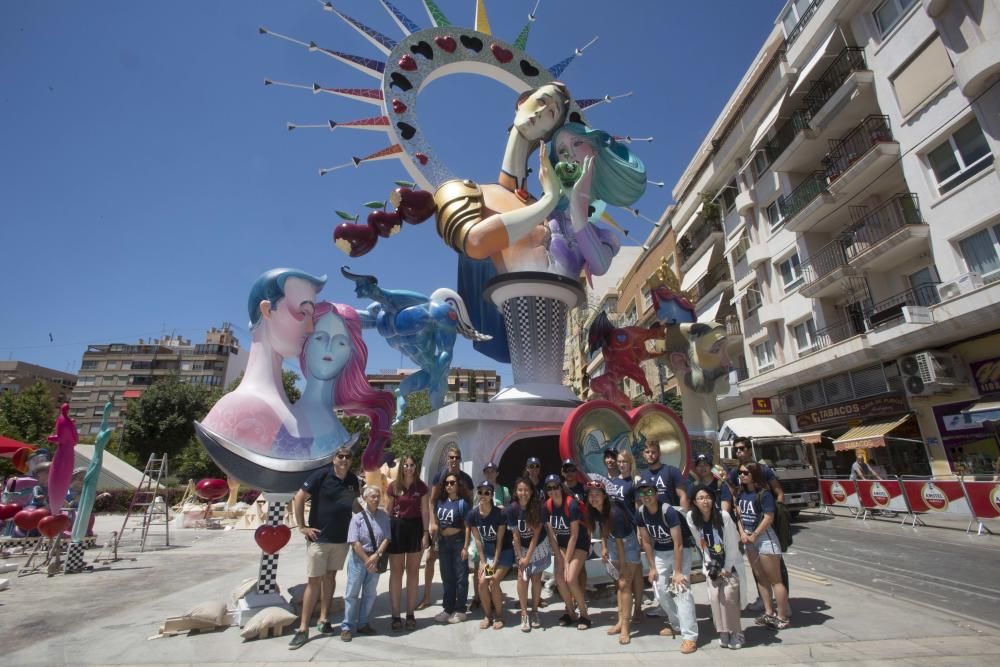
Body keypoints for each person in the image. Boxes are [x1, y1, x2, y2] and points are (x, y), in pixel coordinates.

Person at [203, 268, 326, 455]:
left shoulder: (290, 409)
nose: (310, 328)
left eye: (311, 316)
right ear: (267, 310)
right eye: (302, 312)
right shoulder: (240, 407)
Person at [289, 446, 360, 650]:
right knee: (313, 582)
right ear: (334, 459)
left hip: (341, 539)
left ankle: (323, 619)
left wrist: (370, 518)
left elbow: (354, 505)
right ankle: (303, 629)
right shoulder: (321, 475)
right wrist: (302, 525)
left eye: (348, 457)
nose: (344, 459)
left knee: (330, 577)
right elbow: (299, 497)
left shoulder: (352, 480)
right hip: (319, 538)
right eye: (340, 456)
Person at [723, 436, 789, 616]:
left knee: (777, 572)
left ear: (749, 449)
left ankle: (784, 607)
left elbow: (779, 492)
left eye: (742, 448)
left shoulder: (763, 470)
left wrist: (777, 514)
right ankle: (767, 606)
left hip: (766, 528)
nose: (739, 451)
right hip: (749, 531)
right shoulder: (735, 472)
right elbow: (734, 496)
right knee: (759, 574)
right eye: (736, 449)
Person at [635, 479, 698, 654]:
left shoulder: (668, 511)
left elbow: (678, 543)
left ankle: (690, 636)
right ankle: (677, 623)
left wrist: (677, 571)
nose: (646, 496)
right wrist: (652, 567)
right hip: (660, 552)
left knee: (682, 589)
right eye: (642, 493)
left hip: (680, 550)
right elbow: (646, 541)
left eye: (649, 492)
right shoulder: (640, 513)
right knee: (660, 590)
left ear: (656, 493)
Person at [586, 480, 646, 645]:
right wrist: (604, 546)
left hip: (628, 545)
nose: (594, 498)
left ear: (604, 497)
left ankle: (626, 626)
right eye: (591, 495)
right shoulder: (597, 510)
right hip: (613, 542)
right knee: (619, 585)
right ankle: (620, 621)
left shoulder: (614, 512)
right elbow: (604, 527)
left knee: (624, 583)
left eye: (597, 495)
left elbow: (621, 543)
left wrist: (622, 568)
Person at [687, 485, 743, 650]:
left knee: (729, 597)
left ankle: (736, 632)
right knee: (714, 599)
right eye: (701, 498)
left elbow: (733, 543)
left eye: (708, 497)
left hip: (729, 563)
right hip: (712, 564)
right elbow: (700, 543)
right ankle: (723, 632)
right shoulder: (692, 517)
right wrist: (709, 563)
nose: (705, 501)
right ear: (694, 502)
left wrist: (726, 566)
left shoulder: (723, 516)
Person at [736, 462, 790, 631]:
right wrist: (743, 533)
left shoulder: (764, 494)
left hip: (765, 539)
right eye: (740, 473)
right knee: (761, 578)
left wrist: (755, 534)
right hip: (749, 539)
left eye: (746, 473)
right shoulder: (741, 494)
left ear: (754, 475)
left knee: (775, 579)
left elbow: (769, 517)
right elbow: (739, 515)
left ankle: (782, 616)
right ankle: (769, 612)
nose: (742, 475)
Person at [420, 445, 475, 610]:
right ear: (447, 458)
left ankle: (479, 598)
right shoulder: (440, 476)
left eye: (457, 457)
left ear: (460, 459)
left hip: (460, 528)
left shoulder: (466, 479)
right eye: (451, 457)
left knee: (469, 565)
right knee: (432, 559)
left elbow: (470, 503)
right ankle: (428, 596)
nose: (454, 460)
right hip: (442, 526)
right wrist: (433, 522)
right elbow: (432, 500)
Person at [385, 455, 430, 632]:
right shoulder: (393, 486)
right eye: (406, 465)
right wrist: (385, 534)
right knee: (396, 572)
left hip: (415, 529)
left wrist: (426, 533)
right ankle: (396, 614)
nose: (409, 468)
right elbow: (387, 511)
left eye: (412, 465)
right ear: (401, 467)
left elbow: (425, 511)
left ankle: (410, 613)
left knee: (412, 573)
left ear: (415, 467)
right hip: (396, 528)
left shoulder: (422, 487)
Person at [507, 477, 557, 632]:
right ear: (516, 491)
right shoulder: (512, 509)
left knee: (536, 579)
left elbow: (536, 535)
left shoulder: (539, 508)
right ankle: (524, 613)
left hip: (538, 546)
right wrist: (519, 557)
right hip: (521, 547)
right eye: (520, 490)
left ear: (531, 491)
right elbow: (515, 535)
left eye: (526, 490)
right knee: (522, 578)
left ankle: (534, 611)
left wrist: (528, 557)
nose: (523, 493)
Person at [341, 484, 390, 642]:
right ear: (365, 498)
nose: (376, 499)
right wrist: (367, 560)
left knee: (369, 594)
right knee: (352, 593)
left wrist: (377, 555)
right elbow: (354, 542)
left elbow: (387, 538)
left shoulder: (384, 516)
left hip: (375, 559)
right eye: (372, 496)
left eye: (377, 496)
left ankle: (363, 623)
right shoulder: (357, 519)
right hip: (359, 559)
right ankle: (347, 626)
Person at [543, 474, 591, 630]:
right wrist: (559, 555)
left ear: (561, 487)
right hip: (561, 546)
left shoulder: (571, 505)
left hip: (579, 544)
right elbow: (552, 536)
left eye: (555, 487)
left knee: (570, 578)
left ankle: (584, 614)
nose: (553, 491)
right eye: (549, 488)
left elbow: (575, 535)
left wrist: (566, 561)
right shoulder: (547, 506)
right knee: (559, 578)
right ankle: (570, 612)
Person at [465, 480, 514, 630]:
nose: (483, 495)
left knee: (493, 580)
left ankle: (499, 615)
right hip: (488, 554)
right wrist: (484, 561)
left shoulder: (500, 514)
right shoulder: (473, 515)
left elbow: (499, 540)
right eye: (481, 492)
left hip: (503, 553)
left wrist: (495, 561)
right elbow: (478, 540)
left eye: (487, 493)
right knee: (482, 582)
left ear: (492, 495)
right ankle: (488, 615)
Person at [429, 471, 472, 623]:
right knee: (447, 576)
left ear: (458, 485)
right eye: (446, 483)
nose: (449, 485)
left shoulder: (463, 503)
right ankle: (448, 608)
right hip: (443, 542)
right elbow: (436, 520)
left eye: (452, 483)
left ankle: (460, 610)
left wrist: (466, 547)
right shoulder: (441, 501)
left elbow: (468, 527)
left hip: (458, 541)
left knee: (461, 577)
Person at [608, 449, 642, 620]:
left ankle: (638, 609)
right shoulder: (613, 481)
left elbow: (637, 508)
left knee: (634, 573)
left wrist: (639, 531)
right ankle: (623, 612)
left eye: (624, 462)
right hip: (616, 533)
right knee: (621, 575)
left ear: (631, 463)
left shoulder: (634, 482)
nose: (621, 464)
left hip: (631, 531)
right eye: (619, 461)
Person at [637, 440, 689, 510]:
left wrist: (685, 516)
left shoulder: (672, 471)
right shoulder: (641, 476)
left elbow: (683, 495)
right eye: (647, 452)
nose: (650, 454)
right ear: (643, 454)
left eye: (653, 452)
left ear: (659, 453)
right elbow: (640, 502)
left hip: (671, 517)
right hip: (651, 518)